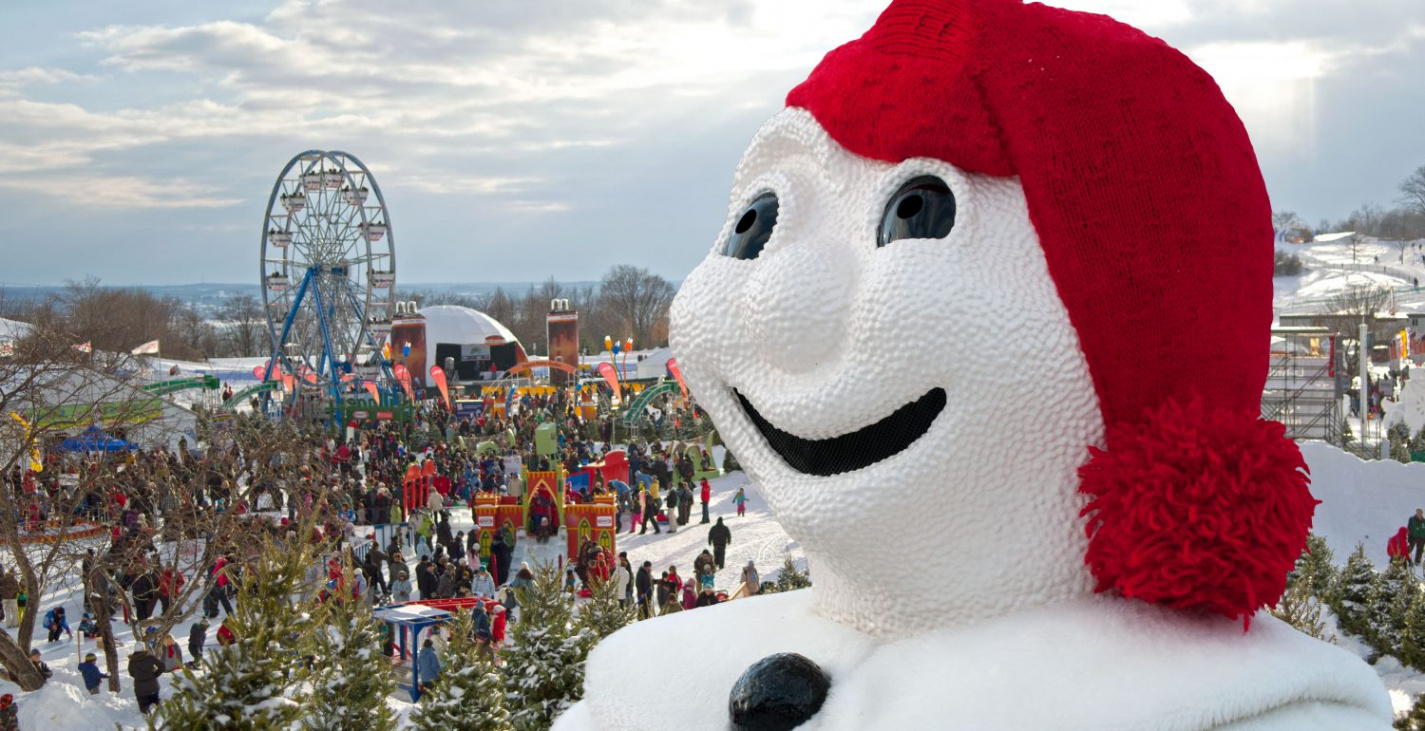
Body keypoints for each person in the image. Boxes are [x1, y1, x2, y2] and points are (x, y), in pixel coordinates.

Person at [128, 642, 165, 715]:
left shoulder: (132, 661)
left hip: (140, 688)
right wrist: (155, 674)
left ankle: (147, 713)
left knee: (144, 706)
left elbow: (131, 672)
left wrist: (138, 677)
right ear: (144, 648)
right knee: (155, 699)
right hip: (153, 686)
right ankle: (158, 707)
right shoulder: (150, 657)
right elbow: (162, 666)